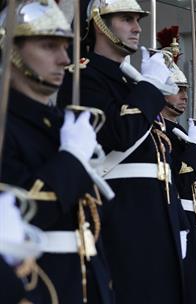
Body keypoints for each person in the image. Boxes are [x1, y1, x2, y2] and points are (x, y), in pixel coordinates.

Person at [57, 1, 188, 303]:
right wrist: (151, 86)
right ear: (99, 23)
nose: (137, 27)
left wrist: (177, 223)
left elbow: (162, 166)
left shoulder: (132, 81)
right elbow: (118, 134)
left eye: (137, 20)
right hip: (121, 221)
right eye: (126, 19)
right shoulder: (83, 77)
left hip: (156, 223)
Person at [0, 1, 112, 303]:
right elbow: (25, 212)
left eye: (66, 47)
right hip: (37, 285)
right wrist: (72, 159)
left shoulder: (63, 123)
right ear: (10, 48)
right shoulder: (4, 126)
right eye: (49, 46)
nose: (64, 59)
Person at [157, 26, 196, 304]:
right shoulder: (158, 132)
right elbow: (179, 178)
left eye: (185, 90)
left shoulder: (179, 132)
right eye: (177, 89)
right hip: (176, 220)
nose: (184, 95)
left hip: (194, 221)